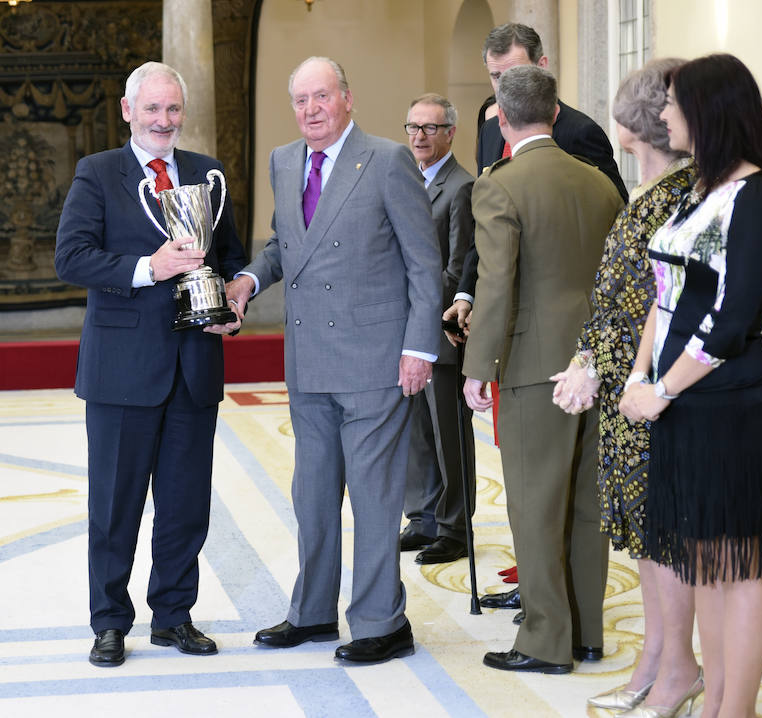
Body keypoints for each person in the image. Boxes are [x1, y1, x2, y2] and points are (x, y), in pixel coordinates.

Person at [224, 57, 441, 664]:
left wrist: (419, 348)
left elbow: (425, 263)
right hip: (309, 360)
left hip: (376, 360)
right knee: (312, 495)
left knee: (374, 498)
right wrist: (247, 279)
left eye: (321, 96)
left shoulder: (389, 159)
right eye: (300, 100)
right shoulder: (284, 161)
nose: (311, 109)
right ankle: (313, 613)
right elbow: (284, 245)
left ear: (347, 97)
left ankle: (381, 621)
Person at [54, 61, 247, 667]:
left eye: (172, 109)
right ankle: (110, 622)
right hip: (121, 369)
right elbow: (72, 257)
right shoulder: (97, 173)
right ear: (127, 111)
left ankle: (174, 616)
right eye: (152, 109)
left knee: (186, 504)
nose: (164, 121)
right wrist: (149, 268)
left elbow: (233, 259)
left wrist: (235, 298)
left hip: (195, 365)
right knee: (115, 506)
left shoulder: (206, 173)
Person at [619, 54, 762, 718]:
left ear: (708, 111)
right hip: (679, 404)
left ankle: (734, 709)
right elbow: (666, 297)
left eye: (673, 104)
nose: (663, 115)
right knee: (703, 565)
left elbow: (730, 317)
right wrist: (640, 376)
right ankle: (716, 700)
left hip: (727, 404)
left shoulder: (757, 194)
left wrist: (661, 391)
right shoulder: (700, 191)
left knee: (737, 565)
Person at [549, 59, 701, 713]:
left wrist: (616, 371)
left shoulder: (686, 193)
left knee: (666, 537)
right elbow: (614, 297)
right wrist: (585, 357)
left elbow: (663, 307)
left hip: (658, 390)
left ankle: (680, 668)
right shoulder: (651, 190)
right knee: (643, 536)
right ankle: (656, 657)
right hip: (623, 386)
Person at [462, 65, 623, 674]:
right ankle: (586, 633)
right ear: (555, 114)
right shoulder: (600, 185)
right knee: (587, 503)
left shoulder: (500, 184)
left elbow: (496, 283)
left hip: (532, 365)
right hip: (595, 360)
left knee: (533, 504)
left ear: (501, 120)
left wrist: (480, 365)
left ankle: (543, 641)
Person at [444, 21, 628, 346]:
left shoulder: (579, 132)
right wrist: (467, 293)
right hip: (496, 312)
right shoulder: (490, 130)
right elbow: (484, 223)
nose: (503, 88)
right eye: (495, 77)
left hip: (557, 317)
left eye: (514, 74)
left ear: (542, 67)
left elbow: (614, 222)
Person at [398, 94, 477, 565]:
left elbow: (458, 265)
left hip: (442, 328)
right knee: (416, 430)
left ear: (450, 132)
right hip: (407, 328)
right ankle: (423, 516)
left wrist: (420, 306)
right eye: (412, 127)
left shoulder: (461, 186)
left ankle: (454, 527)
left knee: (448, 432)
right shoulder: (406, 181)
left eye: (430, 128)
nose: (419, 136)